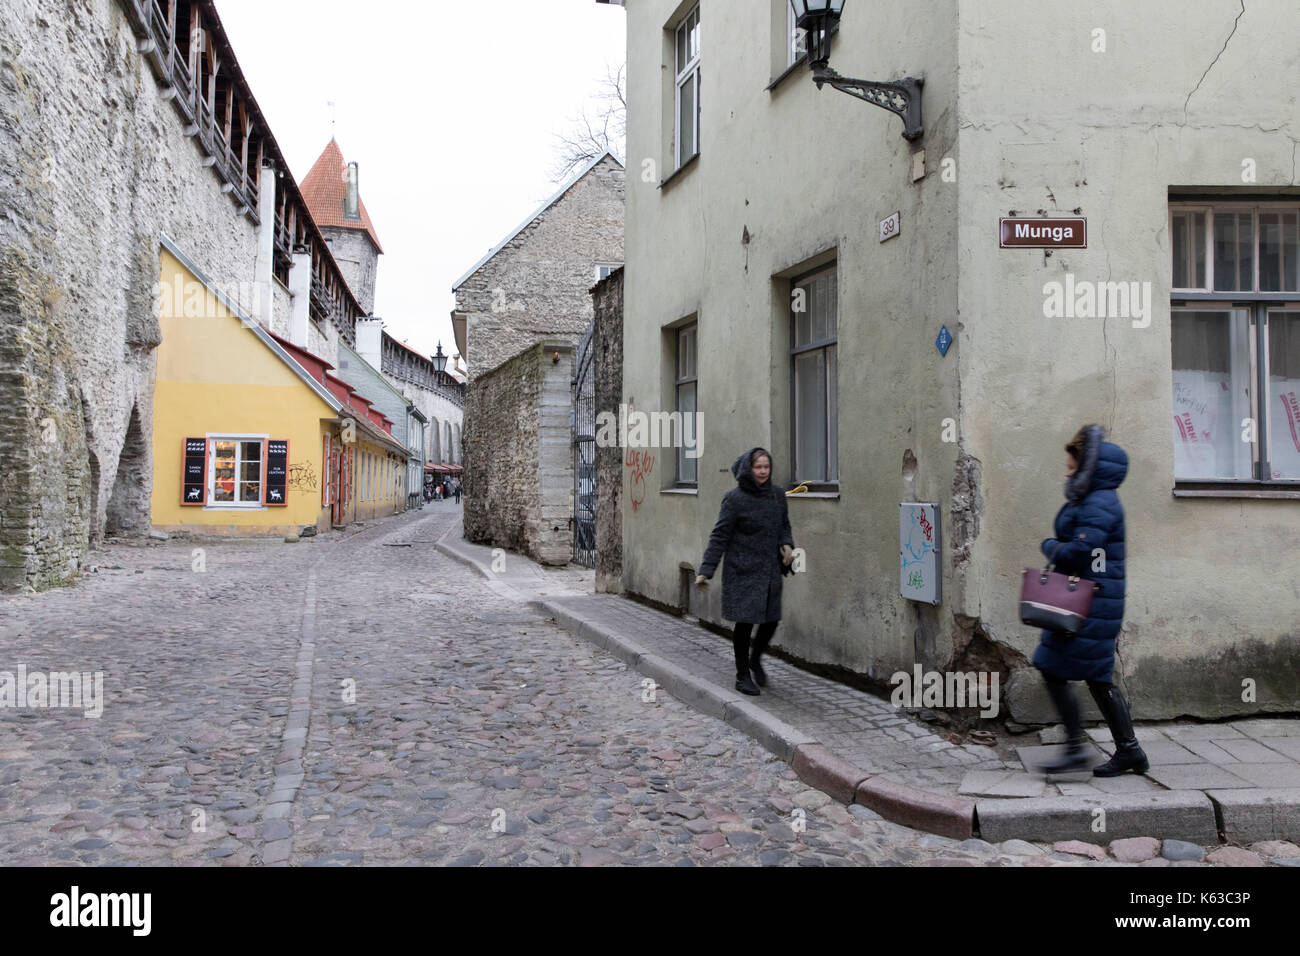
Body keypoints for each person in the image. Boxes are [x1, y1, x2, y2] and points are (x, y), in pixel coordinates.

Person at [1034, 424, 1148, 777]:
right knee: (1091, 675)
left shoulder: (1100, 502)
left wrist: (1050, 546)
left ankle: (1081, 750)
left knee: (1060, 669)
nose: (1065, 474)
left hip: (1090, 604)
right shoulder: (1094, 499)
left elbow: (1080, 552)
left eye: (1071, 468)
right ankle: (1126, 751)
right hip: (1087, 600)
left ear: (1088, 469)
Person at [696, 447, 796, 696]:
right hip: (743, 569)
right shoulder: (734, 499)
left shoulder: (777, 494)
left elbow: (784, 525)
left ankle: (755, 659)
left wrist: (787, 544)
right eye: (758, 467)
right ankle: (743, 675)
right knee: (745, 622)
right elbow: (720, 535)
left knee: (771, 620)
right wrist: (706, 570)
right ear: (747, 469)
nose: (763, 471)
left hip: (771, 569)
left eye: (766, 467)